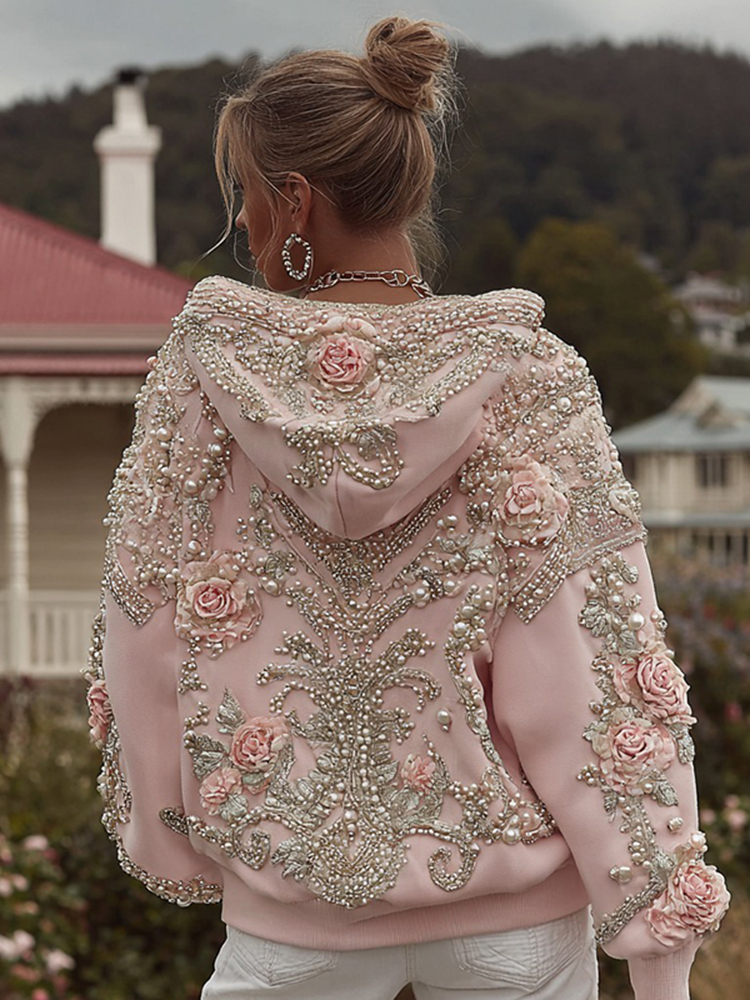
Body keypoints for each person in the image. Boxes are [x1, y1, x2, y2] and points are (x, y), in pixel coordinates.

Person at [81, 14, 730, 1000]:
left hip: (292, 928)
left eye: (245, 194)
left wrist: (172, 836)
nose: (243, 223)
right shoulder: (531, 379)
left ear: (294, 201)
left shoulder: (200, 380)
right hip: (514, 926)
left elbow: (141, 622)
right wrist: (659, 953)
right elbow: (603, 663)